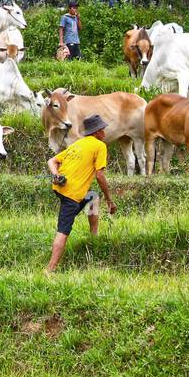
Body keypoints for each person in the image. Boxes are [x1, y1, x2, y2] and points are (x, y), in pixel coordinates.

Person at [45, 114, 117, 273]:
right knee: (63, 231)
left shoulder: (79, 144)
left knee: (92, 197)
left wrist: (56, 174)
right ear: (97, 132)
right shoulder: (100, 146)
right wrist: (110, 200)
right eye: (103, 129)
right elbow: (100, 175)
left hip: (62, 188)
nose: (104, 132)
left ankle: (93, 237)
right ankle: (49, 270)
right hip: (71, 194)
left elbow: (52, 161)